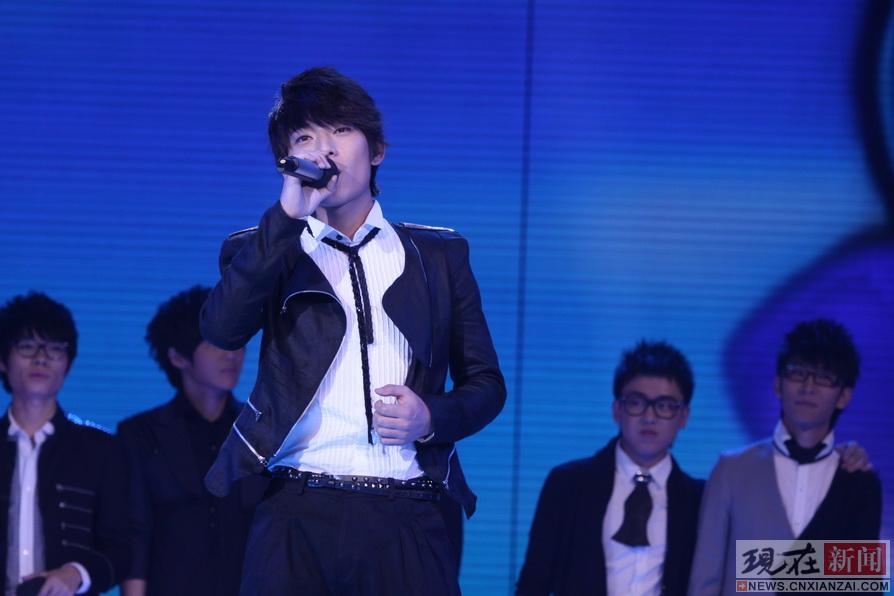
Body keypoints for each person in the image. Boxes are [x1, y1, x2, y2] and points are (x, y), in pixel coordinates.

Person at [200, 66, 506, 595]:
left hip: (407, 509)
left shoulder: (438, 255)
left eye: (340, 130)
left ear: (377, 149)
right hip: (296, 511)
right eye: (305, 138)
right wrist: (287, 218)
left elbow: (486, 385)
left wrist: (430, 417)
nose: (324, 151)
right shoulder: (263, 250)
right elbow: (222, 330)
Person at [688, 319, 882, 596]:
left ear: (843, 396)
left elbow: (860, 589)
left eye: (824, 377)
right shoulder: (731, 469)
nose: (808, 387)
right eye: (797, 373)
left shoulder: (857, 481)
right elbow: (705, 581)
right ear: (778, 384)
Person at [516, 340, 704, 596]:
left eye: (664, 406)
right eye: (636, 402)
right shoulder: (567, 485)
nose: (649, 417)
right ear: (617, 410)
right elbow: (533, 582)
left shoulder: (701, 500)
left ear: (683, 417)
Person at [118, 286, 263, 596]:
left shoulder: (260, 429)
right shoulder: (141, 434)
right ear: (177, 356)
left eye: (237, 343)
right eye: (216, 343)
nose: (231, 355)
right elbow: (136, 533)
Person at [0, 292, 129, 595]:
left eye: (55, 349)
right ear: (3, 360)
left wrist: (75, 574)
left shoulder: (101, 450)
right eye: (27, 346)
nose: (41, 358)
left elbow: (122, 546)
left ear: (68, 363)